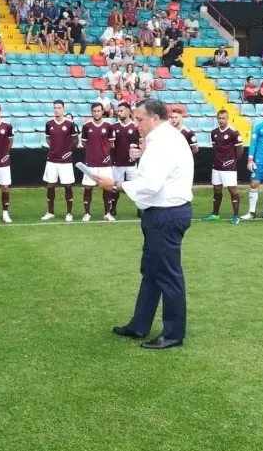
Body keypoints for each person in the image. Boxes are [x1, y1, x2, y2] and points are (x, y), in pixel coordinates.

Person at [95, 99, 194, 350]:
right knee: (151, 271)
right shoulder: (163, 140)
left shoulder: (164, 142)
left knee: (167, 274)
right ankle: (139, 324)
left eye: (139, 119)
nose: (136, 124)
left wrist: (116, 185)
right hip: (161, 212)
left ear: (154, 118)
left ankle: (173, 332)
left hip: (166, 213)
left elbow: (151, 184)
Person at [202, 110, 243, 224]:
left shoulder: (233, 132)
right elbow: (215, 149)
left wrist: (232, 161)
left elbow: (239, 150)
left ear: (227, 118)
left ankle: (235, 216)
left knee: (232, 190)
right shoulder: (214, 132)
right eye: (219, 118)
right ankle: (215, 214)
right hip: (217, 166)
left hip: (229, 167)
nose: (221, 120)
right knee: (217, 189)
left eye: (223, 118)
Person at [42, 100, 79, 222]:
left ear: (63, 109)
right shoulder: (49, 124)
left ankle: (69, 213)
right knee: (50, 185)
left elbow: (75, 141)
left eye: (59, 108)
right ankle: (50, 211)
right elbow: (48, 140)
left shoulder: (70, 124)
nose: (57, 110)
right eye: (55, 108)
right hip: (52, 160)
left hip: (66, 161)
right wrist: (55, 149)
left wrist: (67, 151)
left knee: (67, 185)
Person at [81, 103, 115, 222]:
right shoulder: (86, 126)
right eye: (94, 111)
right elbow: (85, 143)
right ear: (92, 112)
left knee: (107, 188)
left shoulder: (109, 126)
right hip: (91, 163)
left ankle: (107, 213)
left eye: (98, 111)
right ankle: (87, 213)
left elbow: (111, 144)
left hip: (105, 163)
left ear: (102, 112)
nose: (96, 113)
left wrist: (103, 152)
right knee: (88, 188)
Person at [110, 102, 139, 217]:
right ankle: (113, 208)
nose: (119, 113)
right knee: (115, 187)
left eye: (121, 111)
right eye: (118, 111)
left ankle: (140, 208)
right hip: (117, 163)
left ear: (128, 111)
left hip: (131, 164)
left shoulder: (135, 127)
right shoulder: (114, 127)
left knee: (136, 187)